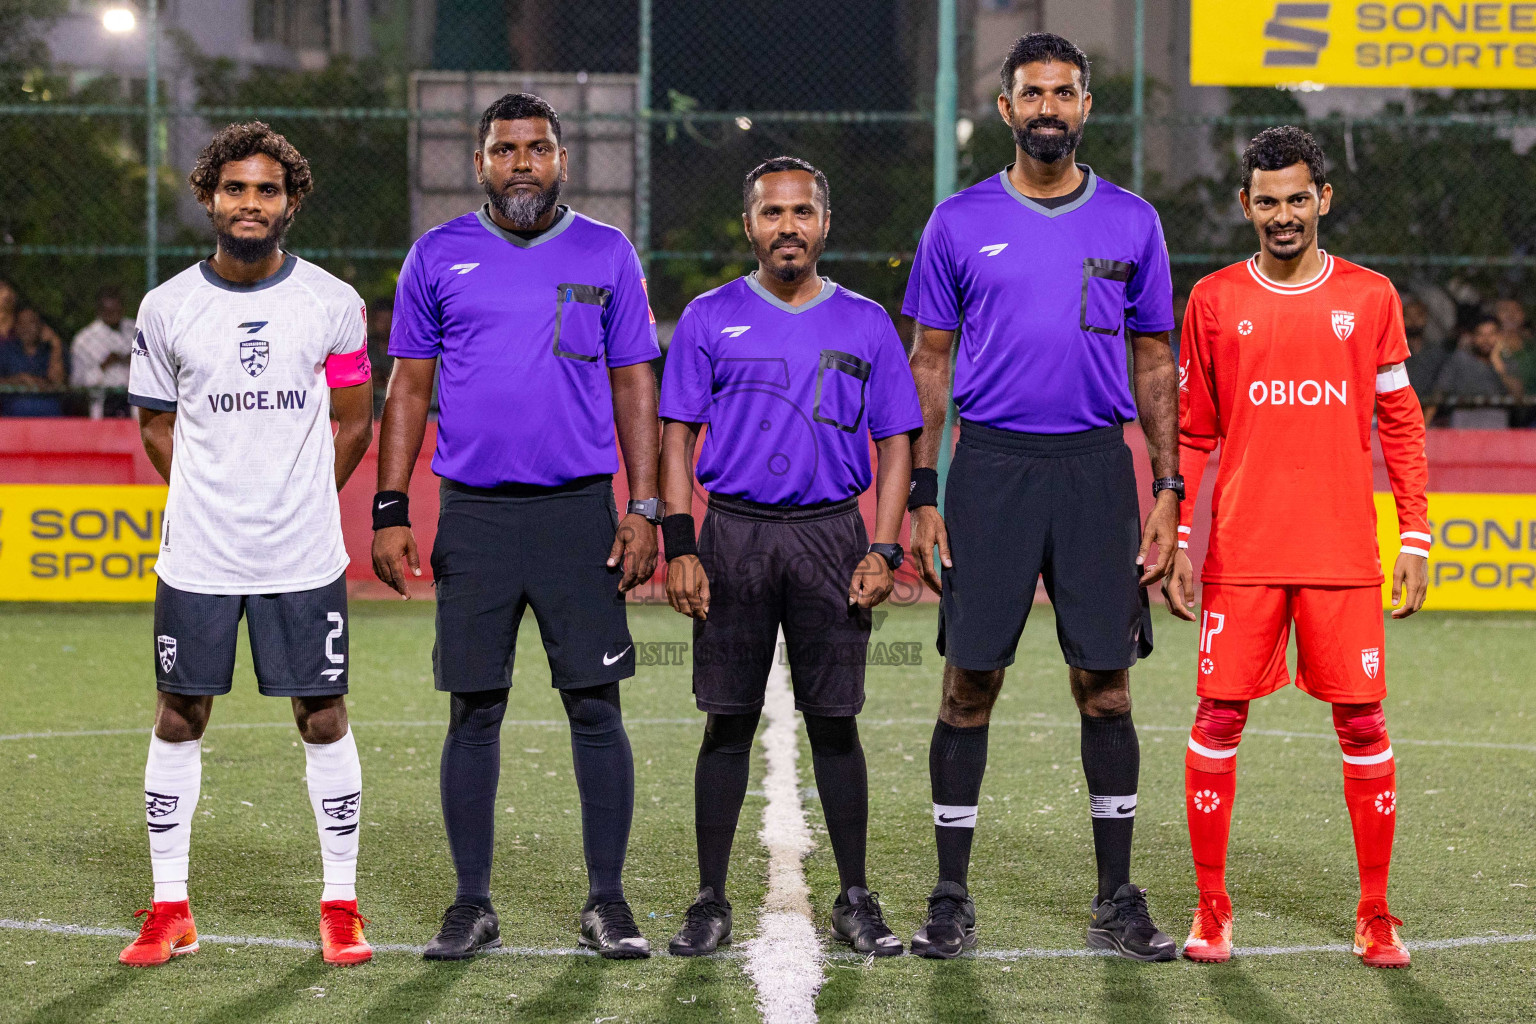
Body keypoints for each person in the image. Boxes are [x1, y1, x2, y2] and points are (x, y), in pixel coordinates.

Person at [903, 33, 1181, 961]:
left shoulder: (1134, 222)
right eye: (1033, 93)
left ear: (1086, 106)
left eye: (1065, 92)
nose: (1049, 108)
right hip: (990, 470)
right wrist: (925, 488)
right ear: (1009, 107)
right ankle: (949, 895)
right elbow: (929, 364)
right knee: (969, 682)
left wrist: (1168, 486)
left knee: (1105, 688)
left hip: (1098, 471)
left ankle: (1116, 895)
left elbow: (1154, 364)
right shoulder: (956, 221)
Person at [373, 92, 662, 961]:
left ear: (563, 160)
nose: (523, 163)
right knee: (474, 711)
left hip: (581, 513)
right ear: (481, 162)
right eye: (506, 150)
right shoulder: (438, 256)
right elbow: (409, 389)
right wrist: (391, 506)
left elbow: (635, 386)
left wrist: (644, 507)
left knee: (595, 709)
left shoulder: (607, 253)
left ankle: (607, 902)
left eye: (538, 148)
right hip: (475, 516)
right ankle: (471, 904)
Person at [1166, 126, 1430, 969]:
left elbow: (1402, 422)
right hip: (1242, 552)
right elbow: (1194, 431)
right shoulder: (1211, 301)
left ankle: (1376, 914)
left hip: (1343, 553)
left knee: (1363, 721)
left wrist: (1415, 534)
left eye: (1297, 198)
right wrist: (1178, 536)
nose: (1283, 215)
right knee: (1217, 718)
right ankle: (1212, 910)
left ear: (1324, 198)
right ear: (1246, 206)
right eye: (1266, 201)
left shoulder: (1371, 297)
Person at [118, 122, 376, 967]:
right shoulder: (166, 308)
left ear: (291, 200)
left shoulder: (333, 302)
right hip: (196, 554)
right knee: (180, 712)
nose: (251, 203)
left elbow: (354, 418)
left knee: (323, 715)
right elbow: (156, 425)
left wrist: (300, 499)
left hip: (303, 554)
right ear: (208, 196)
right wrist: (208, 499)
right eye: (236, 189)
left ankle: (341, 904)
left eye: (268, 190)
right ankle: (169, 907)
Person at [658, 157, 923, 958]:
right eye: (772, 213)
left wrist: (883, 546)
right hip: (732, 534)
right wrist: (680, 544)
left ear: (824, 223)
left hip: (831, 536)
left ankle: (854, 896)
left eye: (802, 212)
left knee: (836, 724)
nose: (787, 227)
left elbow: (897, 441)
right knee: (727, 722)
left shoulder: (867, 321)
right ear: (750, 225)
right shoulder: (708, 317)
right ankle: (709, 900)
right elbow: (676, 434)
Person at [1429, 314, 1523, 428]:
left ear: (1499, 336)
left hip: (1497, 424)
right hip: (1463, 423)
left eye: (1491, 334)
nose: (1486, 340)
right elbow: (1440, 391)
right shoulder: (1460, 360)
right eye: (1481, 334)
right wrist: (1426, 423)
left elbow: (1518, 394)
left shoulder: (1507, 361)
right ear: (1473, 337)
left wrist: (1497, 363)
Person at [71, 284, 137, 418]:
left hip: (134, 400)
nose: (113, 314)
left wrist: (133, 361)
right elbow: (77, 384)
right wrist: (103, 366)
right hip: (102, 401)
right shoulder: (84, 340)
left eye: (117, 309)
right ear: (99, 311)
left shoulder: (135, 329)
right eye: (108, 311)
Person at [0, 305, 67, 416]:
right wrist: (19, 380)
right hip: (13, 413)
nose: (26, 328)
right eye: (21, 323)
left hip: (49, 412)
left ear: (41, 326)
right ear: (15, 327)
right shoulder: (5, 350)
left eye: (31, 323)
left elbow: (58, 382)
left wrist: (56, 345)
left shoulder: (53, 350)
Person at [1401, 295, 1447, 410]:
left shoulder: (1437, 353)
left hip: (1432, 417)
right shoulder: (1393, 352)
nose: (1414, 320)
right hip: (1399, 411)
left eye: (1418, 315)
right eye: (1409, 316)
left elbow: (1440, 390)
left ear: (1425, 318)